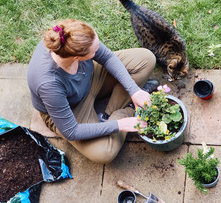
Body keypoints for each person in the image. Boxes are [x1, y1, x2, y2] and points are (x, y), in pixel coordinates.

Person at [27, 19, 157, 164]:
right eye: (94, 51)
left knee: (146, 59)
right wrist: (120, 125)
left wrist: (134, 91)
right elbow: (72, 132)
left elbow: (107, 57)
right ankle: (127, 112)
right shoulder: (48, 84)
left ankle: (107, 114)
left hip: (90, 77)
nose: (98, 51)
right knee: (105, 153)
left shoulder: (70, 37)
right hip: (72, 108)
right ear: (76, 57)